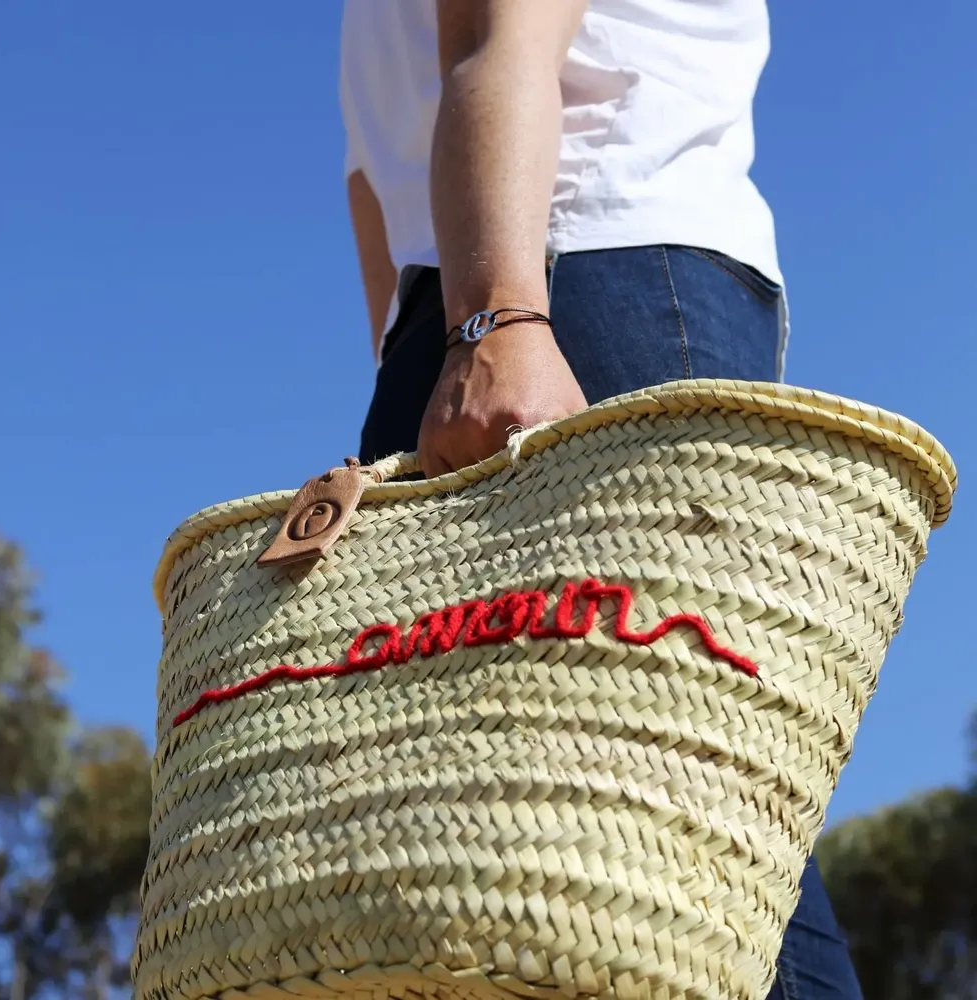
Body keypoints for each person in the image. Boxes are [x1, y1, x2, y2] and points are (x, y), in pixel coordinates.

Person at [341, 2, 863, 997]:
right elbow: (498, 44)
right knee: (689, 814)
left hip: (467, 316)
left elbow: (372, 196)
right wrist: (499, 320)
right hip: (584, 280)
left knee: (542, 845)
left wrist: (441, 352)